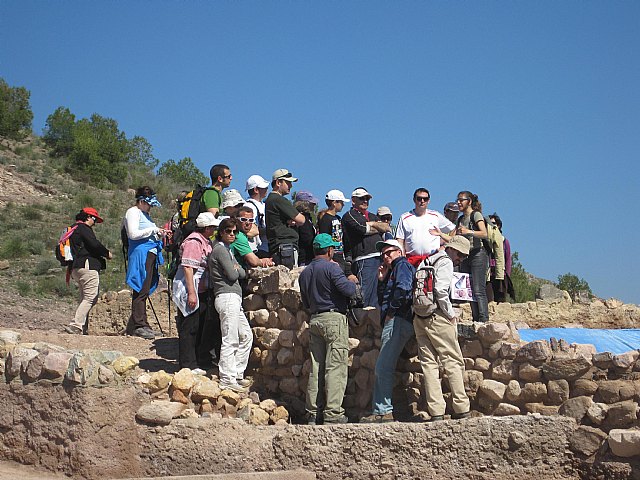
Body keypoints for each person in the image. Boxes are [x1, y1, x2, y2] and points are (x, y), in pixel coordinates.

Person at [299, 233, 358, 425]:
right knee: (336, 367)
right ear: (330, 250)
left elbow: (306, 302)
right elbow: (349, 291)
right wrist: (352, 282)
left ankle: (312, 413)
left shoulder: (305, 273)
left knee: (316, 367)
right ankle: (333, 413)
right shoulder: (332, 268)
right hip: (334, 319)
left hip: (315, 319)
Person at [413, 235, 472, 421]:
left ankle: (436, 411)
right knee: (453, 361)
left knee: (429, 365)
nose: (459, 259)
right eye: (460, 255)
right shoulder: (445, 262)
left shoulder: (428, 260)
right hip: (437, 316)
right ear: (452, 249)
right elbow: (440, 290)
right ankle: (461, 407)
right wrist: (450, 314)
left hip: (420, 316)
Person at [361, 239, 415, 423]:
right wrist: (382, 281)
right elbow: (384, 297)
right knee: (384, 366)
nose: (385, 256)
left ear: (399, 252)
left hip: (398, 320)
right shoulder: (393, 270)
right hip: (397, 320)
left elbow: (404, 288)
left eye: (389, 252)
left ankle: (383, 411)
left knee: (382, 367)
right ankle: (382, 410)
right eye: (383, 254)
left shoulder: (402, 266)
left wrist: (392, 312)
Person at [208, 218, 252, 392]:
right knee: (230, 338)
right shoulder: (220, 250)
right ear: (221, 232)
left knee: (246, 336)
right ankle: (226, 378)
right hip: (226, 296)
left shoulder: (228, 250)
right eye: (229, 231)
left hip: (233, 297)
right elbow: (235, 275)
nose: (232, 234)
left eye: (235, 231)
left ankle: (236, 373)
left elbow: (240, 271)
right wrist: (235, 269)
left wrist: (235, 269)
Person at [172, 212, 218, 372]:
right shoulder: (194, 242)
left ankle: (197, 360)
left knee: (199, 327)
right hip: (190, 289)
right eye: (212, 227)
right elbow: (188, 268)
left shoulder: (205, 241)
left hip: (202, 289)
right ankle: (187, 364)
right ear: (206, 228)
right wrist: (192, 293)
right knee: (189, 327)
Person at [124, 186, 169, 339]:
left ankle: (141, 323)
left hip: (150, 253)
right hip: (141, 254)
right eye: (149, 203)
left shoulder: (145, 214)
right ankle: (139, 325)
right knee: (140, 288)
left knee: (145, 288)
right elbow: (132, 233)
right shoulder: (133, 212)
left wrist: (159, 233)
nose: (151, 207)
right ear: (142, 201)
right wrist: (153, 231)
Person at [64, 208, 112, 335]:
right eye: (94, 219)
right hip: (87, 265)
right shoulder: (83, 228)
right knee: (90, 297)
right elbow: (94, 244)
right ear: (88, 217)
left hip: (75, 267)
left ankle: (83, 326)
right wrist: (107, 253)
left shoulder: (73, 229)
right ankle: (76, 325)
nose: (94, 223)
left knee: (84, 297)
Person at [341, 187, 389, 308]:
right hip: (364, 259)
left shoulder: (372, 216)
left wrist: (371, 224)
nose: (365, 201)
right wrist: (375, 226)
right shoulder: (349, 215)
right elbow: (362, 229)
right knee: (365, 296)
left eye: (367, 198)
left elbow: (387, 228)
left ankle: (375, 324)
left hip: (380, 258)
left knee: (379, 296)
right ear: (353, 200)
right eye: (362, 198)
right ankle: (362, 324)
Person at [453, 191, 489, 323]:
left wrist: (469, 231)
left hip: (478, 254)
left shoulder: (476, 215)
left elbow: (484, 233)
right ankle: (476, 318)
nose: (458, 202)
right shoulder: (460, 219)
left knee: (479, 289)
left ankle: (483, 319)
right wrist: (439, 234)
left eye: (461, 200)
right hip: (465, 255)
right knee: (469, 289)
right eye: (457, 200)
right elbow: (452, 237)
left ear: (469, 201)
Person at [395, 188, 455, 267]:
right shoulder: (404, 218)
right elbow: (400, 240)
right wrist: (402, 256)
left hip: (433, 260)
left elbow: (454, 229)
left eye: (425, 199)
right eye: (419, 198)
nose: (422, 201)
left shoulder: (435, 216)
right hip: (411, 261)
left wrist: (444, 246)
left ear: (428, 201)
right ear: (414, 200)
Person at [265, 169, 305, 268]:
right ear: (278, 182)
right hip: (285, 247)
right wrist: (294, 220)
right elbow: (301, 220)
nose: (290, 186)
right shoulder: (278, 199)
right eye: (288, 182)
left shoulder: (271, 200)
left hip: (280, 246)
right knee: (289, 280)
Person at [317, 189, 350, 274]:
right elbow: (324, 238)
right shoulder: (325, 219)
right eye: (341, 202)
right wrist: (330, 259)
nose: (343, 204)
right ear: (334, 203)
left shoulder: (338, 218)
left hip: (340, 255)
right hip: (332, 257)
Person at [487, 214, 514, 303]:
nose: (491, 226)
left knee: (501, 300)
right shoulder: (485, 241)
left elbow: (508, 259)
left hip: (501, 274)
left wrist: (506, 275)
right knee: (489, 300)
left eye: (493, 223)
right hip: (488, 274)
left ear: (498, 225)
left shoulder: (504, 241)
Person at [244, 174, 270, 257]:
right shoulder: (249, 206)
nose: (267, 189)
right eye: (264, 187)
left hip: (267, 248)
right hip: (257, 250)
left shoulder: (264, 205)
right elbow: (248, 229)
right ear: (256, 190)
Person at [293, 191, 318, 266]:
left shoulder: (308, 218)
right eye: (311, 203)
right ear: (305, 204)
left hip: (310, 257)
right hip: (304, 258)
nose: (314, 205)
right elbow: (306, 238)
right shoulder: (300, 218)